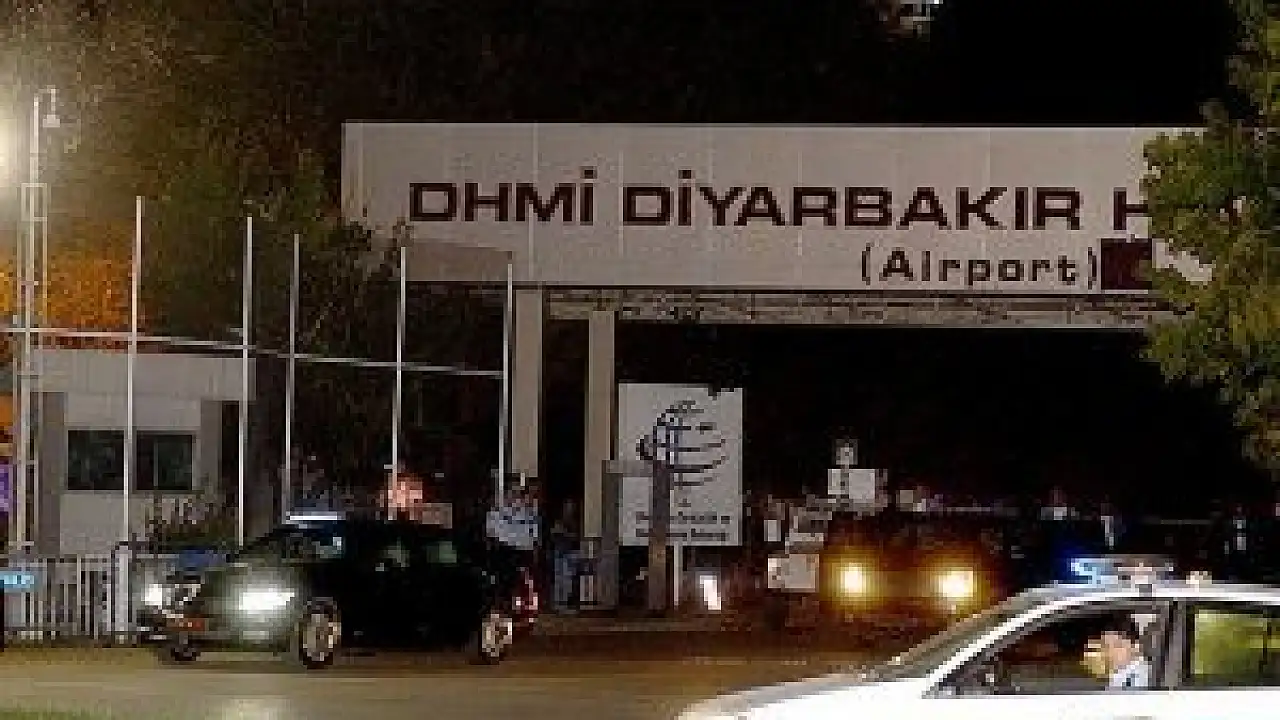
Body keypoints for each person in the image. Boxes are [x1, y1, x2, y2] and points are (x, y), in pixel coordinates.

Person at [1097, 617, 1152, 689]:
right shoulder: (1121, 669)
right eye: (1106, 646)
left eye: (1118, 645)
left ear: (1135, 647)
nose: (1110, 651)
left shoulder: (1134, 679)